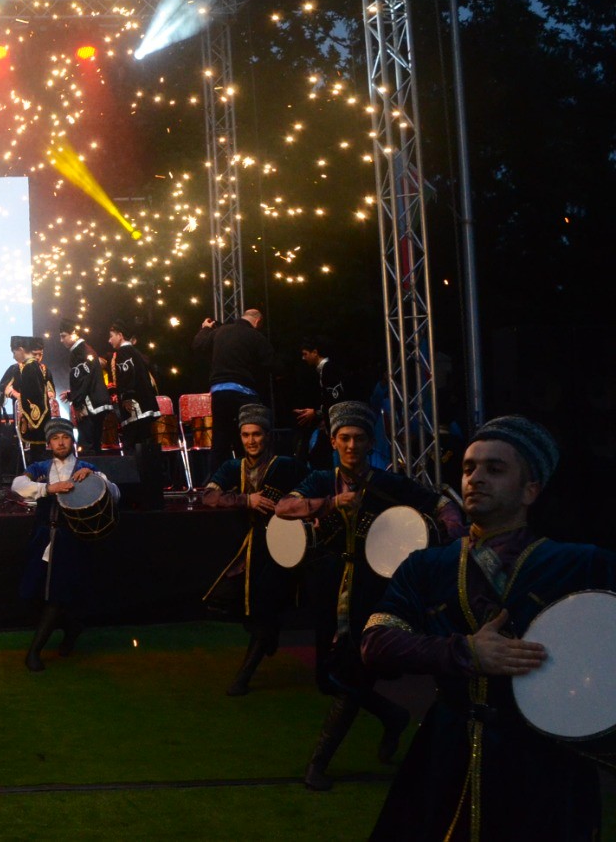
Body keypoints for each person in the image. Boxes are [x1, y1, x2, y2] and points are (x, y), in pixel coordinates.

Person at [361, 415, 616, 840]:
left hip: (544, 763)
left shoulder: (580, 563)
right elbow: (376, 644)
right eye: (468, 468)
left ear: (530, 490)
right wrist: (464, 652)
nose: (475, 478)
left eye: (494, 469)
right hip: (446, 753)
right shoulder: (427, 566)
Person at [274, 401, 464, 791]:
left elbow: (440, 502)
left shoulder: (387, 482)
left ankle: (317, 764)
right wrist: (331, 503)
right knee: (329, 677)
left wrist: (449, 529)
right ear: (333, 441)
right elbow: (283, 507)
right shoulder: (321, 480)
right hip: (328, 587)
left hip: (373, 590)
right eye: (344, 438)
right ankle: (393, 716)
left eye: (359, 438)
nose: (351, 445)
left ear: (370, 442)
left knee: (354, 673)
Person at [199, 405, 309, 695]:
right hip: (248, 550)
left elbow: (313, 490)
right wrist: (246, 500)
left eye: (257, 434)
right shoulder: (232, 467)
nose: (251, 440)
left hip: (281, 549)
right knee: (237, 605)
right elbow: (208, 496)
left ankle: (244, 677)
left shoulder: (286, 466)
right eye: (246, 434)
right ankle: (269, 634)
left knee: (263, 609)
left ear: (267, 435)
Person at [12, 418, 120, 671]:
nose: (61, 442)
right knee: (32, 593)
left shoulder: (86, 467)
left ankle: (34, 652)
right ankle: (72, 627)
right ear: (49, 444)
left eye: (65, 437)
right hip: (43, 538)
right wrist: (48, 488)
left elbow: (114, 492)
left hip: (71, 540)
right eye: (55, 438)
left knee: (57, 596)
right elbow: (18, 485)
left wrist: (95, 478)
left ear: (72, 441)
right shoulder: (40, 468)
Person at [192, 308, 275, 462]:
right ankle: (249, 473)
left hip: (219, 391)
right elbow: (271, 365)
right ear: (258, 322)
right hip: (244, 392)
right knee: (248, 437)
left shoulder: (220, 331)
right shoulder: (256, 336)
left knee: (220, 439)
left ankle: (217, 475)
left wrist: (205, 329)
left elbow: (198, 345)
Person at [108, 322, 166, 508]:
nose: (109, 340)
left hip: (135, 407)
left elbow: (127, 376)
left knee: (132, 447)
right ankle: (149, 489)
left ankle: (134, 490)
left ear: (120, 335)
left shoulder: (124, 353)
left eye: (111, 336)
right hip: (145, 405)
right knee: (144, 445)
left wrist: (126, 396)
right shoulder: (136, 353)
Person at [293, 337, 347, 470]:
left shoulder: (328, 369)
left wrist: (317, 413)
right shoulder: (323, 370)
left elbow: (335, 399)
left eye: (305, 354)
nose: (303, 358)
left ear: (315, 352)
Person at [59, 323, 112, 453]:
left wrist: (77, 403)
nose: (61, 340)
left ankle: (88, 467)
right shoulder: (87, 350)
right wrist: (72, 395)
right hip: (97, 402)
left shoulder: (79, 353)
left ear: (74, 334)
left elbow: (82, 381)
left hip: (90, 405)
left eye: (63, 336)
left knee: (86, 446)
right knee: (95, 444)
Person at [4, 336, 56, 461]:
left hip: (35, 419)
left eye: (14, 352)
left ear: (21, 349)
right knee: (36, 453)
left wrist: (32, 419)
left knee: (38, 456)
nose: (13, 356)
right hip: (34, 417)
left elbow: (35, 395)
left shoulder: (30, 367)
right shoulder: (29, 366)